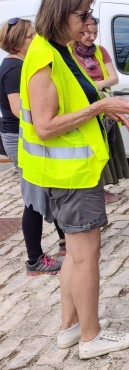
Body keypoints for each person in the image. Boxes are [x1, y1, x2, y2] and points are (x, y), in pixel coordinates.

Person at [19, 0, 129, 358]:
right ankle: (92, 336)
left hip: (72, 172)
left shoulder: (60, 51)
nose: (88, 21)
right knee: (86, 256)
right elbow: (46, 124)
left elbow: (84, 95)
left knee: (75, 254)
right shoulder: (45, 58)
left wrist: (109, 108)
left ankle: (70, 328)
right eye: (82, 14)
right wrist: (100, 109)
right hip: (70, 176)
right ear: (60, 14)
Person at [0, 18, 64, 275]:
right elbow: (17, 110)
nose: (34, 39)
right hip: (20, 138)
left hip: (24, 136)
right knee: (34, 199)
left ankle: (65, 241)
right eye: (29, 36)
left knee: (48, 189)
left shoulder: (19, 64)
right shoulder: (15, 67)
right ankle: (34, 260)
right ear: (16, 42)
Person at [70, 18, 129, 203]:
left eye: (95, 33)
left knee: (108, 146)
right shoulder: (70, 52)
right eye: (88, 33)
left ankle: (104, 187)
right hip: (86, 107)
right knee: (93, 147)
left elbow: (113, 78)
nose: (92, 37)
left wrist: (98, 85)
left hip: (104, 103)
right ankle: (97, 190)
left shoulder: (100, 51)